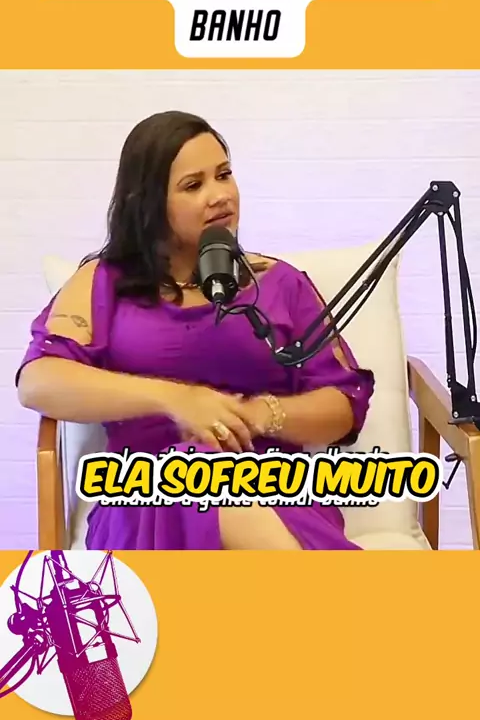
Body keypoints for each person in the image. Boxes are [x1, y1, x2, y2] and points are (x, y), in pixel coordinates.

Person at [16, 110, 375, 550]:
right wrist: (178, 400)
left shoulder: (280, 282)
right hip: (145, 498)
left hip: (273, 493)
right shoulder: (103, 281)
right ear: (146, 202)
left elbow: (344, 404)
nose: (219, 195)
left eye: (224, 175)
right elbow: (39, 381)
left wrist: (257, 416)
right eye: (193, 185)